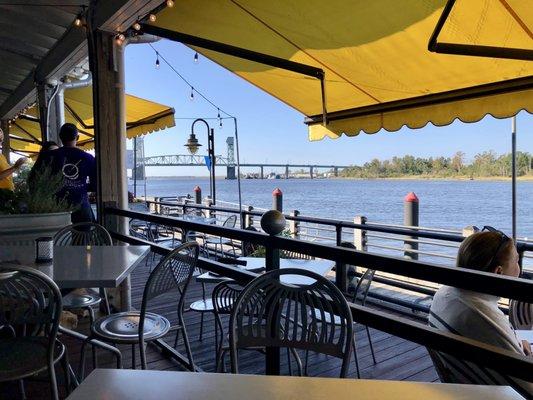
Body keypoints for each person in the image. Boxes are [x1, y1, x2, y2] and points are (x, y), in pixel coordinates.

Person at [429, 228, 532, 394]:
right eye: (516, 262)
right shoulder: (482, 317)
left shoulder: (446, 293)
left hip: (463, 383)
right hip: (488, 394)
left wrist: (517, 345)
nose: (520, 270)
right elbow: (528, 390)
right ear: (499, 272)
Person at [40, 123, 96, 223]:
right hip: (80, 204)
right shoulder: (88, 158)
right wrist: (80, 185)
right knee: (83, 236)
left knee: (59, 237)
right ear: (77, 137)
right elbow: (95, 185)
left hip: (55, 206)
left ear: (60, 137)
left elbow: (38, 180)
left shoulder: (49, 156)